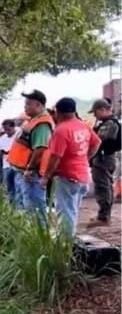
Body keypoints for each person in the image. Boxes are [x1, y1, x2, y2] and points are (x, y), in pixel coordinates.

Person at [41, 98, 101, 235]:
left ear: (58, 112)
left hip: (66, 177)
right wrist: (85, 158)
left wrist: (46, 177)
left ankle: (66, 246)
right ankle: (69, 241)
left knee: (66, 215)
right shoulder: (82, 125)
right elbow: (97, 142)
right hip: (81, 176)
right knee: (72, 211)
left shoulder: (61, 130)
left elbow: (55, 157)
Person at [7, 89, 54, 225]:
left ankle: (39, 237)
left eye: (28, 104)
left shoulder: (42, 124)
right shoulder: (34, 121)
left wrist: (30, 168)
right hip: (24, 171)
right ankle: (34, 235)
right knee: (30, 206)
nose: (25, 107)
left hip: (32, 173)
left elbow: (40, 149)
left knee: (35, 207)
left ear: (38, 105)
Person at [88, 98, 121, 227]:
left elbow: (99, 140)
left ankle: (103, 217)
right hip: (105, 158)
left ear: (103, 110)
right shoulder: (106, 123)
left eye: (95, 112)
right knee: (105, 186)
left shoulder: (109, 124)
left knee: (103, 187)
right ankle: (103, 215)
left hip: (104, 159)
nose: (95, 115)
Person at [0, 119, 19, 206]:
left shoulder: (19, 135)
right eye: (5, 130)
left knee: (18, 186)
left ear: (13, 127)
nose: (7, 132)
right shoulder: (2, 138)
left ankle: (19, 206)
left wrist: (8, 152)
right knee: (9, 187)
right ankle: (12, 205)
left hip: (17, 165)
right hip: (6, 165)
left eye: (8, 129)